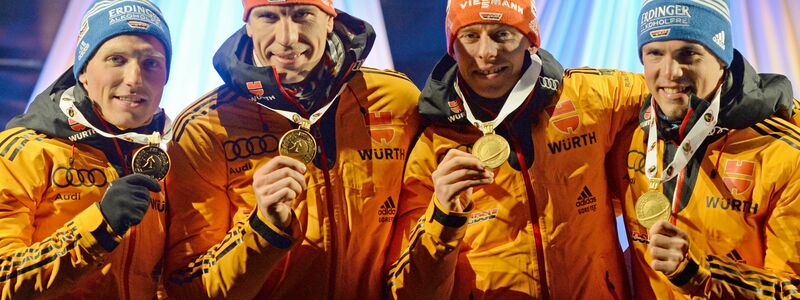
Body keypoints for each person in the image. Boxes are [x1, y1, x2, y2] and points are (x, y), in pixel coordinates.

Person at [385, 0, 649, 298]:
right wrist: (444, 217)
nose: (486, 52)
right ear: (452, 46)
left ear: (531, 39)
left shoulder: (591, 98)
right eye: (470, 36)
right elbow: (409, 292)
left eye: (502, 35)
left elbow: (672, 88)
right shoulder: (432, 145)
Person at [163, 0, 421, 298]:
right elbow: (187, 286)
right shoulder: (205, 127)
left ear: (329, 20)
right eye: (268, 17)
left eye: (302, 15)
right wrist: (263, 228)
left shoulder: (397, 101)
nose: (287, 38)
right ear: (247, 24)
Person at [609, 0, 800, 298]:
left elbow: (792, 290)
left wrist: (698, 274)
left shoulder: (784, 153)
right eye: (654, 54)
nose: (670, 72)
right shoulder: (627, 136)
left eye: (688, 54)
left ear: (721, 57)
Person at [0, 0, 172, 298]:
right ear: (83, 72)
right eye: (116, 59)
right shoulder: (24, 152)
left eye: (151, 63)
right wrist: (100, 225)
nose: (134, 79)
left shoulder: (174, 156)